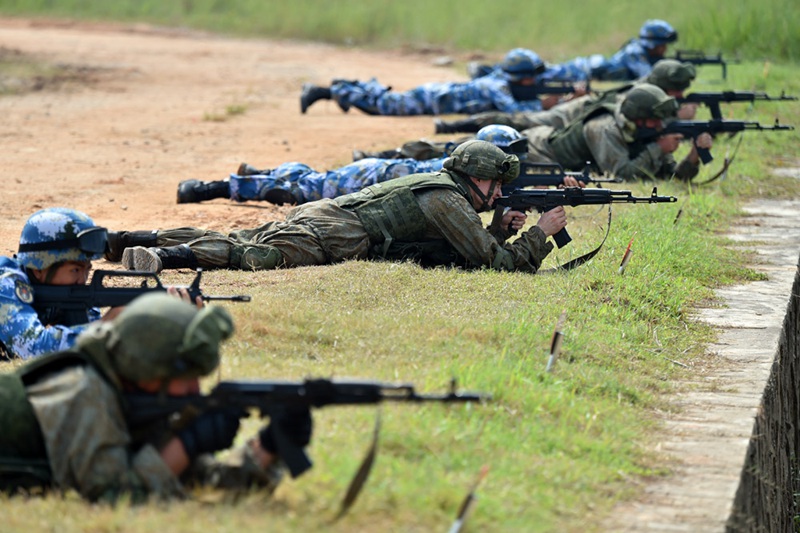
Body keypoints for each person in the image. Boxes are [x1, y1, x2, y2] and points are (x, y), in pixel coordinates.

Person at [0, 292, 312, 500]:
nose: (195, 391)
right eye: (186, 380)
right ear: (148, 372)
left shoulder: (124, 391)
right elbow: (117, 496)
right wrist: (186, 444)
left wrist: (268, 448)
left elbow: (199, 479)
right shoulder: (87, 392)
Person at [110, 141, 567, 275]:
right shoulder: (449, 200)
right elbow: (494, 264)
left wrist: (500, 228)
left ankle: (134, 241)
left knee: (242, 239)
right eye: (496, 183)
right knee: (255, 255)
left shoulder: (447, 189)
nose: (499, 191)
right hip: (337, 234)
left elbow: (471, 245)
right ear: (478, 178)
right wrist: (540, 233)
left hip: (330, 218)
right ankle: (165, 256)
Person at [0, 208, 202, 361]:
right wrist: (106, 325)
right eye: (75, 270)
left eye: (87, 268)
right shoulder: (6, 285)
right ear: (39, 267)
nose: (83, 279)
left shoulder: (68, 293)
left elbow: (92, 348)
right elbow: (31, 347)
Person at [175, 125, 530, 205]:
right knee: (299, 191)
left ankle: (259, 171)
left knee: (310, 180)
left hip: (379, 176)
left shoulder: (469, 172)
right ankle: (214, 188)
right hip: (371, 177)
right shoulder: (460, 176)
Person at [433, 59, 698, 135]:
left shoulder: (651, 89)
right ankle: (453, 126)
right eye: (677, 90)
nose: (681, 95)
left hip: (583, 116)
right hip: (574, 113)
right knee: (518, 121)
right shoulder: (641, 92)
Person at [300, 48, 578, 116]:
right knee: (381, 106)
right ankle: (327, 90)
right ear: (522, 76)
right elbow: (516, 113)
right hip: (430, 99)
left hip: (436, 94)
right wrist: (552, 104)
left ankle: (345, 85)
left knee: (383, 101)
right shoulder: (497, 86)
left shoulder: (501, 77)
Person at [522, 83, 713, 181]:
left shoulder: (642, 129)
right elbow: (621, 175)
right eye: (655, 119)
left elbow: (670, 175)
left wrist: (693, 156)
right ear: (639, 117)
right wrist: (658, 148)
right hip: (536, 148)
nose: (659, 125)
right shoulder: (605, 128)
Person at [471, 20, 678, 83]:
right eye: (662, 44)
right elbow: (648, 77)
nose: (664, 49)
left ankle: (489, 72)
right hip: (582, 70)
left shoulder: (639, 50)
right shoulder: (636, 52)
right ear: (653, 42)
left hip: (586, 68)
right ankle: (487, 71)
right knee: (543, 74)